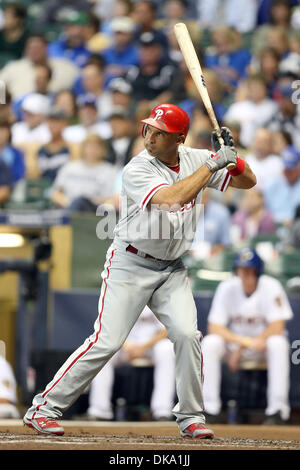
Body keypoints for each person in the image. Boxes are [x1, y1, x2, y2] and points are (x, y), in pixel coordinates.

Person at [23, 103, 256, 438]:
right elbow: (170, 199)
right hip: (130, 263)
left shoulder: (195, 158)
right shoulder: (137, 168)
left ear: (178, 139)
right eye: (148, 129)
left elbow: (249, 182)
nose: (149, 137)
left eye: (159, 133)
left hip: (172, 269)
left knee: (188, 335)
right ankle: (43, 408)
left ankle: (191, 416)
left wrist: (234, 158)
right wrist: (214, 164)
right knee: (107, 341)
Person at [201, 247, 293, 425]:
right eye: (241, 270)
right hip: (236, 344)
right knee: (211, 343)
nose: (245, 275)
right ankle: (210, 409)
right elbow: (214, 326)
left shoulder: (271, 285)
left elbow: (277, 325)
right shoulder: (227, 286)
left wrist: (245, 346)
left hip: (261, 345)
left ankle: (278, 411)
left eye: (250, 271)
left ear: (258, 272)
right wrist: (242, 343)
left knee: (278, 343)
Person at [87, 305, 176, 421]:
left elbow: (167, 329)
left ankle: (162, 410)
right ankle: (99, 410)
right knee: (102, 350)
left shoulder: (160, 290)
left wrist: (143, 347)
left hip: (152, 345)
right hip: (123, 344)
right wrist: (126, 345)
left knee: (167, 349)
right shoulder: (119, 289)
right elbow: (108, 325)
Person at [50, 134, 118, 212]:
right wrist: (66, 202)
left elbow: (111, 199)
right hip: (67, 206)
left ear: (103, 150)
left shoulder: (110, 170)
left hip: (92, 210)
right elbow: (56, 193)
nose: (92, 150)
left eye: (96, 147)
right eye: (89, 147)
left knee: (80, 201)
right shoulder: (69, 167)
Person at [0, 33, 80, 100]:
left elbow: (80, 82)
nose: (34, 51)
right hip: (19, 109)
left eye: (38, 47)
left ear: (47, 48)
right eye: (31, 48)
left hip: (53, 110)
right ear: (26, 49)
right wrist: (3, 105)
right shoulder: (14, 67)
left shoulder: (65, 66)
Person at [223, 75, 278, 148]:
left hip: (262, 148)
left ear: (265, 88)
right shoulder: (237, 107)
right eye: (253, 88)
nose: (256, 90)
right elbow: (226, 127)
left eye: (259, 87)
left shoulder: (273, 107)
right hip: (237, 147)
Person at [264, 145, 300, 225]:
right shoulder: (272, 184)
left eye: (291, 169)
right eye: (285, 168)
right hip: (273, 227)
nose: (287, 171)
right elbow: (265, 212)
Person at [36, 107, 71, 183]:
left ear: (65, 123)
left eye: (56, 121)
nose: (53, 125)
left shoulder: (70, 149)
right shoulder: (41, 149)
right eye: (50, 121)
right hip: (43, 189)